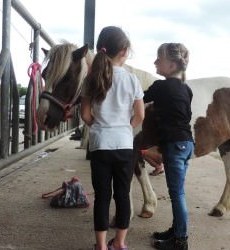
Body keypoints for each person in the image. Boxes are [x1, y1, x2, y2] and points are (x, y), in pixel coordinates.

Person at [80, 26, 145, 250]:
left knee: (102, 197)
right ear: (124, 51)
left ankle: (100, 246)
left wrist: (98, 126)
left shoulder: (91, 79)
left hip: (100, 145)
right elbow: (140, 115)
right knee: (123, 195)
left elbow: (85, 114)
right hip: (124, 145)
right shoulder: (132, 80)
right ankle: (119, 243)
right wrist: (126, 127)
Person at [143, 43, 194, 250]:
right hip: (187, 144)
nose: (155, 61)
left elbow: (139, 99)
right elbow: (187, 115)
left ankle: (180, 241)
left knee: (177, 194)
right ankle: (176, 231)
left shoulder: (160, 87)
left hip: (174, 145)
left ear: (172, 65)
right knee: (178, 192)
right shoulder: (186, 89)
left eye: (159, 58)